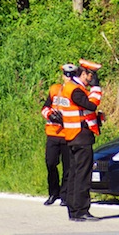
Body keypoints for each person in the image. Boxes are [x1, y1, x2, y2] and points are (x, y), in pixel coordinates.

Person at [58, 59, 102, 222]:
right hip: (80, 136)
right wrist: (96, 89)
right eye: (91, 77)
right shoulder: (75, 90)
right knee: (82, 175)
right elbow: (91, 105)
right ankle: (81, 210)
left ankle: (74, 210)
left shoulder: (70, 88)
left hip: (73, 135)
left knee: (75, 174)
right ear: (84, 73)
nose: (91, 80)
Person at [41, 63, 77, 206]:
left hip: (68, 134)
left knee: (68, 167)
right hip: (53, 133)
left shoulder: (76, 91)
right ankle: (53, 192)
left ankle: (65, 195)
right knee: (50, 163)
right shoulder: (54, 89)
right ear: (63, 75)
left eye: (71, 75)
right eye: (66, 75)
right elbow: (45, 108)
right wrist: (50, 115)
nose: (68, 78)